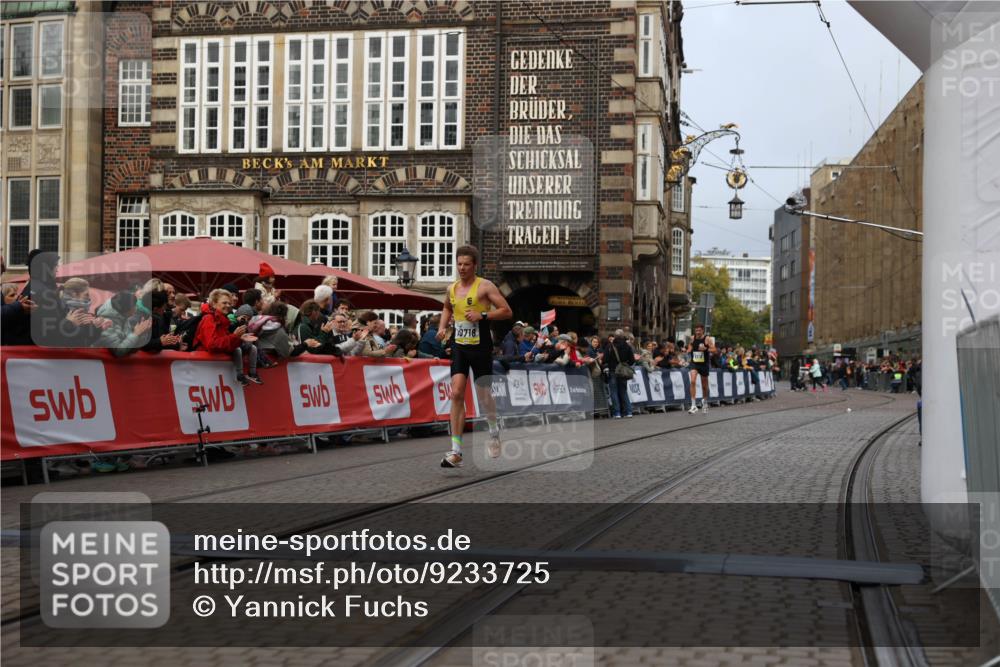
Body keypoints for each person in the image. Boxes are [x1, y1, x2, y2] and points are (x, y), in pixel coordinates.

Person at [437, 245, 512, 468]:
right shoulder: (452, 288)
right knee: (457, 392)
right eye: (459, 264)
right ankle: (456, 450)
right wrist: (442, 327)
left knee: (484, 396)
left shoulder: (485, 286)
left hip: (480, 346)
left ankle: (493, 431)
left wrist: (483, 314)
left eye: (466, 264)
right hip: (459, 345)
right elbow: (447, 309)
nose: (462, 268)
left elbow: (507, 311)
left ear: (475, 265)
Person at [193, 288, 260, 386]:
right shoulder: (209, 319)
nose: (228, 306)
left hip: (215, 369)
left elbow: (227, 346)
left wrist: (239, 338)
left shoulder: (224, 320)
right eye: (224, 303)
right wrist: (234, 336)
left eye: (229, 303)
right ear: (214, 304)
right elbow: (212, 345)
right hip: (205, 369)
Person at [603, 330, 635, 419]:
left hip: (613, 370)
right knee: (623, 391)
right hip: (623, 372)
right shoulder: (627, 346)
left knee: (614, 392)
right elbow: (632, 360)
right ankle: (628, 412)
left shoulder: (609, 346)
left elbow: (605, 359)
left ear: (615, 336)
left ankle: (617, 413)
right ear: (623, 336)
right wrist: (624, 364)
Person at [686, 324, 715, 413]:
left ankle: (705, 401)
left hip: (704, 364)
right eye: (696, 330)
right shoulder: (692, 338)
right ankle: (693, 405)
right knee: (693, 381)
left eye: (699, 330)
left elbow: (714, 349)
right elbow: (690, 347)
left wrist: (706, 349)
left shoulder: (707, 339)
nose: (697, 332)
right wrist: (688, 350)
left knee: (704, 386)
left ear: (703, 331)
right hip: (694, 363)